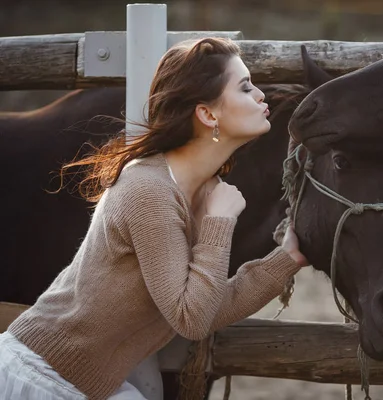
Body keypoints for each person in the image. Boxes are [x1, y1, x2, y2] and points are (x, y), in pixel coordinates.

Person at [0, 37, 308, 400]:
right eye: (245, 87)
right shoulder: (150, 189)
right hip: (38, 379)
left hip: (88, 386)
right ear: (208, 114)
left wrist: (285, 261)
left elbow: (205, 308)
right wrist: (219, 223)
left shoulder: (194, 188)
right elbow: (190, 319)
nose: (261, 96)